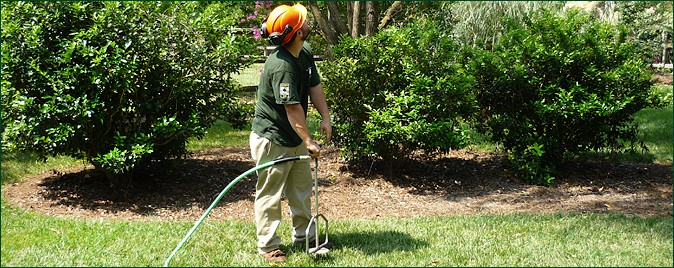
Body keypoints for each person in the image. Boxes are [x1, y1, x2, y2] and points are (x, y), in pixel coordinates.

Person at [249, 3, 332, 263]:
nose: (308, 24)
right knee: (270, 194)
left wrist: (326, 118)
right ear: (296, 32)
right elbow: (293, 109)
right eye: (304, 22)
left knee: (300, 189)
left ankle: (305, 236)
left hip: (295, 136)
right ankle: (269, 245)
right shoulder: (281, 66)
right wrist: (309, 140)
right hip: (273, 139)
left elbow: (314, 85)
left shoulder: (303, 52)